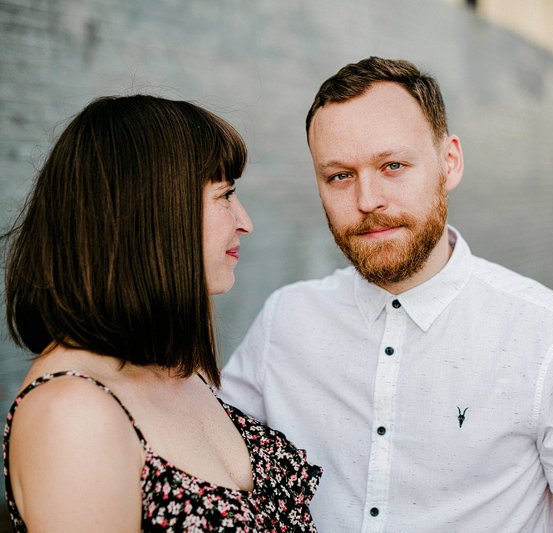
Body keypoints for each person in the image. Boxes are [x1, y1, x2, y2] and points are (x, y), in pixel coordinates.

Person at [220, 57, 553, 532]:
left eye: (392, 165)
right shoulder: (285, 322)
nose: (367, 200)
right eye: (339, 176)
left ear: (449, 161)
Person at [2, 95, 321, 532]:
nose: (244, 221)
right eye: (224, 195)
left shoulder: (173, 368)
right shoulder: (73, 416)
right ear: (153, 211)